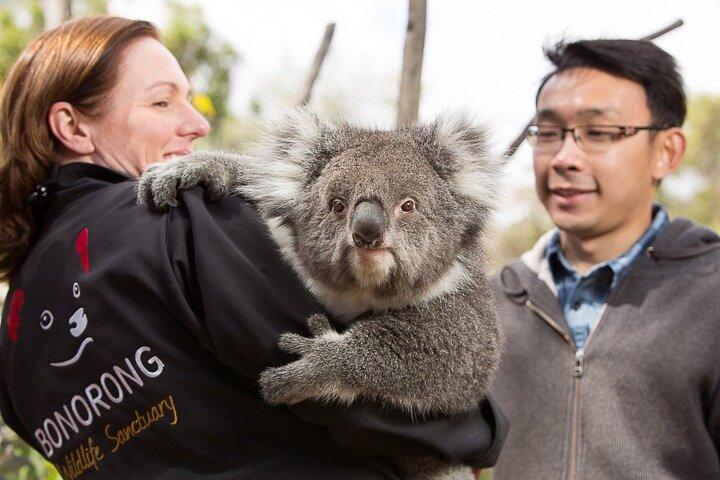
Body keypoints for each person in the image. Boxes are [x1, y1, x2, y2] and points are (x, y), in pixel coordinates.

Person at [0, 16, 507, 480]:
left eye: (189, 99)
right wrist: (486, 430)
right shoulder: (179, 225)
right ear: (71, 126)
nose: (197, 123)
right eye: (161, 101)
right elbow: (333, 394)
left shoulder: (12, 339)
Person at [490, 38, 720, 479]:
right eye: (549, 133)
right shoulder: (491, 302)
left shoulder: (709, 296)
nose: (564, 158)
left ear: (666, 152)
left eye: (598, 133)